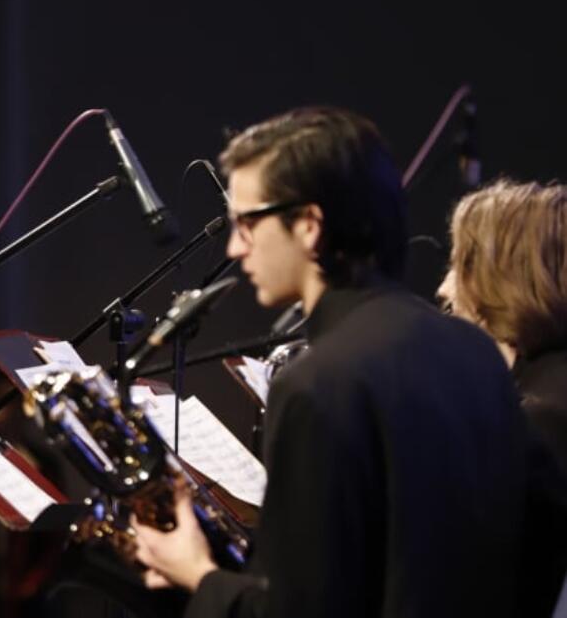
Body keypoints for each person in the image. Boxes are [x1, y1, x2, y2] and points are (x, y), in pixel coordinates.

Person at [131, 107, 526, 617]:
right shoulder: (474, 351)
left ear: (310, 226)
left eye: (247, 223)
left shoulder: (317, 384)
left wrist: (197, 575)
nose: (234, 247)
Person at [439, 179, 567, 615]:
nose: (444, 288)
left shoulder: (541, 419)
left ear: (500, 274)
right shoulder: (543, 392)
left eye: (459, 264)